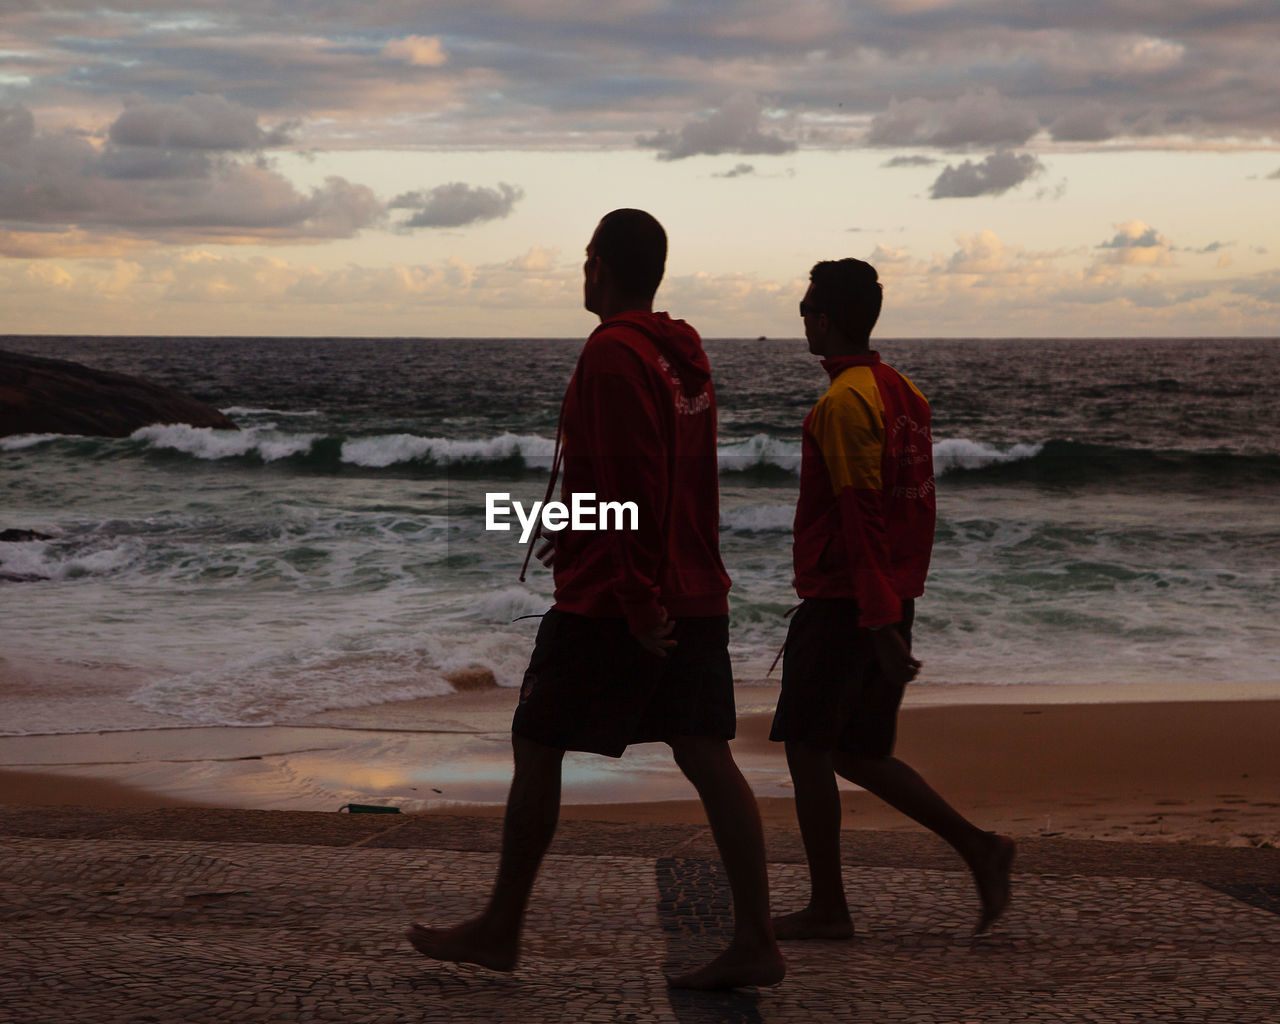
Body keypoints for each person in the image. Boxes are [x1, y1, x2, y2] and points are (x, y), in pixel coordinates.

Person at [406, 209, 785, 991]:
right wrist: (575, 520)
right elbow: (660, 477)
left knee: (538, 739)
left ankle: (502, 928)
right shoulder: (681, 352)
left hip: (618, 601)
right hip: (691, 583)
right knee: (706, 754)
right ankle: (754, 938)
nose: (583, 272)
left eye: (586, 260)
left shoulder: (612, 352)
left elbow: (638, 480)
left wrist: (638, 597)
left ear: (602, 267)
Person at [769, 258, 1014, 940]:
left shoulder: (844, 404)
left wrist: (877, 618)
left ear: (825, 318)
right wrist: (899, 603)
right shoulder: (906, 395)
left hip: (849, 604)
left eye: (807, 304)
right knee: (857, 751)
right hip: (887, 599)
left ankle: (828, 907)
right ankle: (980, 847)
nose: (802, 314)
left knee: (808, 748)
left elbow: (861, 516)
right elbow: (918, 513)